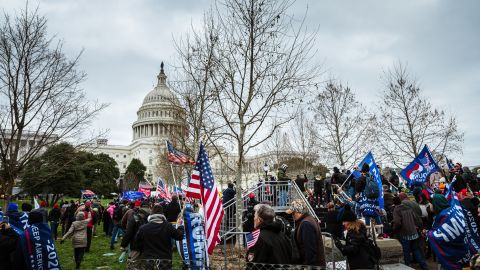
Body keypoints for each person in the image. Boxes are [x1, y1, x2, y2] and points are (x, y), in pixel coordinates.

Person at [334, 205, 376, 269]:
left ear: (350, 222)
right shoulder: (358, 230)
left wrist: (340, 245)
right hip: (364, 263)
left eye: (344, 221)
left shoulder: (354, 232)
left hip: (360, 265)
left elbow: (353, 249)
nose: (343, 224)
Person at [392, 196, 428, 270]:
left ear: (394, 203)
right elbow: (415, 218)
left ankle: (408, 267)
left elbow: (397, 222)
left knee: (406, 252)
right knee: (416, 250)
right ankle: (424, 266)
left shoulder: (396, 210)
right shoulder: (408, 208)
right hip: (414, 232)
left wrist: (394, 229)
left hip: (405, 233)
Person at [286, 199, 326, 267]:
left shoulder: (306, 224)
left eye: (293, 213)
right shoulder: (308, 220)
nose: (292, 215)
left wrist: (306, 267)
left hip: (313, 266)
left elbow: (310, 251)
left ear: (299, 211)